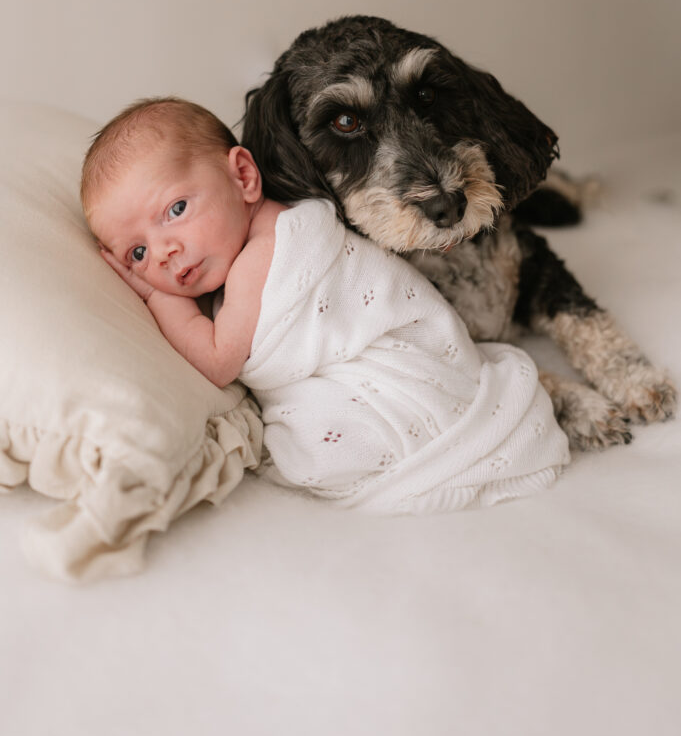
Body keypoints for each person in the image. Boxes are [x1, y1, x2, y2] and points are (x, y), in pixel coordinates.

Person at [81, 96, 570, 513]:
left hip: (389, 359)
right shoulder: (262, 230)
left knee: (321, 443)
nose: (163, 252)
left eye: (176, 210)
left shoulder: (266, 251)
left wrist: (157, 297)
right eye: (137, 253)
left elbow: (216, 359)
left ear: (244, 177)